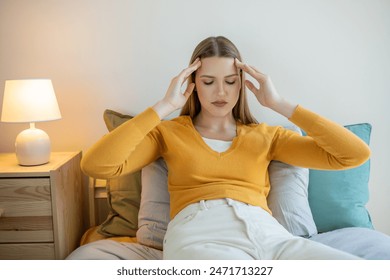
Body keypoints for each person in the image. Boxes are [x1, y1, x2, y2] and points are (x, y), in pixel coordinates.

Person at [69, 36, 370, 260]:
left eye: (230, 81)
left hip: (270, 236)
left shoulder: (267, 136)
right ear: (192, 84)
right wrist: (164, 106)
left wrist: (279, 104)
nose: (221, 92)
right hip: (200, 233)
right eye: (209, 81)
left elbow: (354, 155)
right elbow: (97, 166)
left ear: (242, 84)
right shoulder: (168, 132)